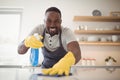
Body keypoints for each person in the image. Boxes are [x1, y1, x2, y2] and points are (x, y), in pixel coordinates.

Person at [18, 7, 81, 76]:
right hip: (44, 71)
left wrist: (67, 61)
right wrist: (26, 42)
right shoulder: (39, 29)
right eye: (49, 21)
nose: (52, 25)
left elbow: (77, 52)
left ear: (61, 22)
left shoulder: (66, 32)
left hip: (63, 72)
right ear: (44, 21)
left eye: (56, 21)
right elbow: (20, 51)